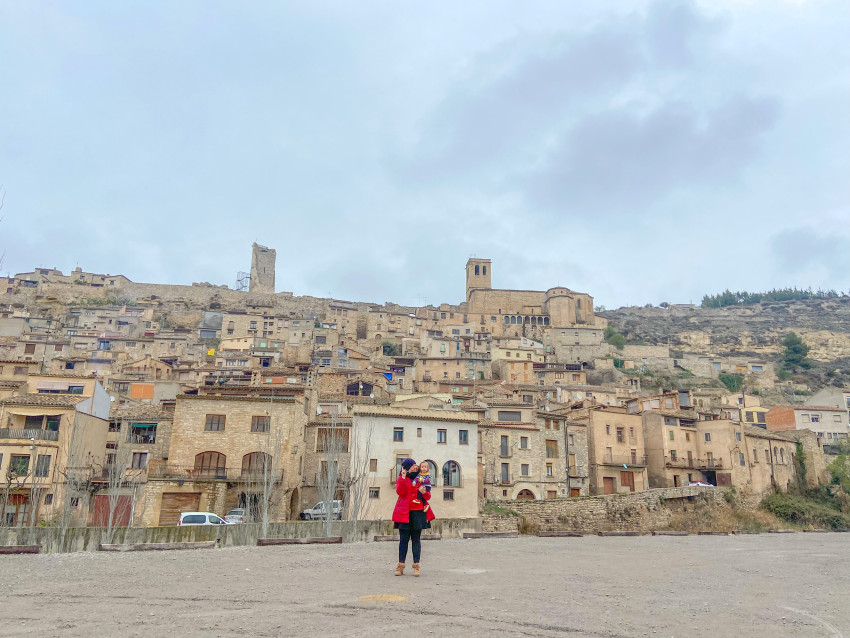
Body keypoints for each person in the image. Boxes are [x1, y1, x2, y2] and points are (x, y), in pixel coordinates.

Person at [392, 458, 431, 576]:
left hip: (417, 512)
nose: (415, 467)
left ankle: (416, 566)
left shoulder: (421, 478)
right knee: (403, 540)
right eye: (413, 465)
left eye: (415, 465)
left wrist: (424, 492)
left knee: (416, 540)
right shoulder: (402, 478)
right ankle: (400, 566)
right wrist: (403, 478)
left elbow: (428, 496)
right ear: (407, 468)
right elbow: (400, 492)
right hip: (404, 512)